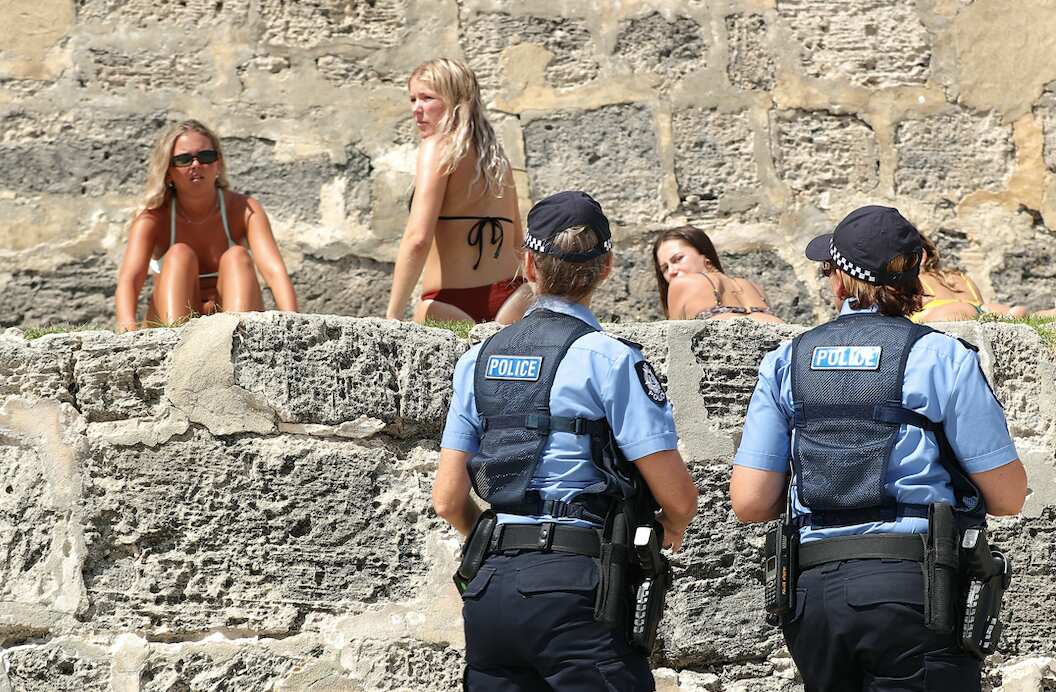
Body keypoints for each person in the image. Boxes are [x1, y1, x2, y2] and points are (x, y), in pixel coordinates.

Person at [730, 205, 1027, 692]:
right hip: (913, 587)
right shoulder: (940, 356)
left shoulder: (787, 360)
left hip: (814, 592)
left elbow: (750, 502)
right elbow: (1009, 497)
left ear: (842, 283)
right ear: (914, 282)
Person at [433, 191, 698, 690]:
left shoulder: (478, 360)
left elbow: (448, 501)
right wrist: (668, 530)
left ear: (529, 263)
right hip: (578, 584)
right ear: (606, 268)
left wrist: (497, 542)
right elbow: (678, 497)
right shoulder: (610, 360)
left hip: (492, 588)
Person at [386, 58, 533, 325]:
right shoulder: (497, 158)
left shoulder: (436, 147)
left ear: (456, 101)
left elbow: (418, 239)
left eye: (427, 98)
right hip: (513, 298)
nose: (416, 110)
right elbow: (517, 243)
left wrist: (392, 314)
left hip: (449, 303)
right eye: (413, 99)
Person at [115, 120, 297, 331]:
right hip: (172, 320)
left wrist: (294, 326)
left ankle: (238, 346)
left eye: (206, 157)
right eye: (184, 159)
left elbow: (275, 272)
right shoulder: (153, 219)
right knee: (178, 255)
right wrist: (126, 331)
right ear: (168, 171)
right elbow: (130, 280)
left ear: (218, 164)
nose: (196, 165)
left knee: (237, 256)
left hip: (228, 318)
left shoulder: (244, 210)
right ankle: (175, 346)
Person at [652, 226, 783, 323]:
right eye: (664, 268)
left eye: (678, 259)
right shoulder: (755, 288)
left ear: (704, 255)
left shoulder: (680, 285)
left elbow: (672, 344)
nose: (671, 271)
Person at [909, 234, 1025, 323]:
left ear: (921, 256)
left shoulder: (914, 279)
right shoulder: (960, 277)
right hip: (984, 311)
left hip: (951, 314)